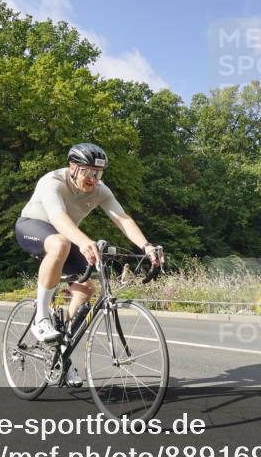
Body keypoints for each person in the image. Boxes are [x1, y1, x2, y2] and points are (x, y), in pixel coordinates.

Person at [15, 143, 161, 357]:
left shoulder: (100, 190)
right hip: (32, 225)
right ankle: (41, 317)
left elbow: (122, 219)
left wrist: (146, 246)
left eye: (98, 172)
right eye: (88, 172)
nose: (93, 178)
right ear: (73, 167)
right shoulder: (52, 182)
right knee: (60, 243)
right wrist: (84, 242)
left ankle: (59, 350)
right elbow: (58, 218)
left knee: (86, 290)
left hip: (66, 234)